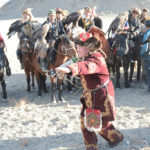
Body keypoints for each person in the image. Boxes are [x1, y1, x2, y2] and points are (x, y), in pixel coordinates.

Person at [56, 33, 124, 150]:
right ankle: (92, 146)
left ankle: (116, 138)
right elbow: (75, 61)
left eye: (79, 46)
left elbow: (84, 66)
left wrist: (68, 69)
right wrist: (63, 68)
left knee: (100, 123)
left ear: (88, 48)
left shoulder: (96, 58)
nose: (77, 49)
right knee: (86, 121)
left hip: (102, 95)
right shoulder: (84, 56)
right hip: (90, 94)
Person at [140, 19, 150, 93]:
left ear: (146, 26)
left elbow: (145, 47)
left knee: (148, 73)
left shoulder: (147, 34)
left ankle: (149, 89)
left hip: (147, 57)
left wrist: (142, 54)